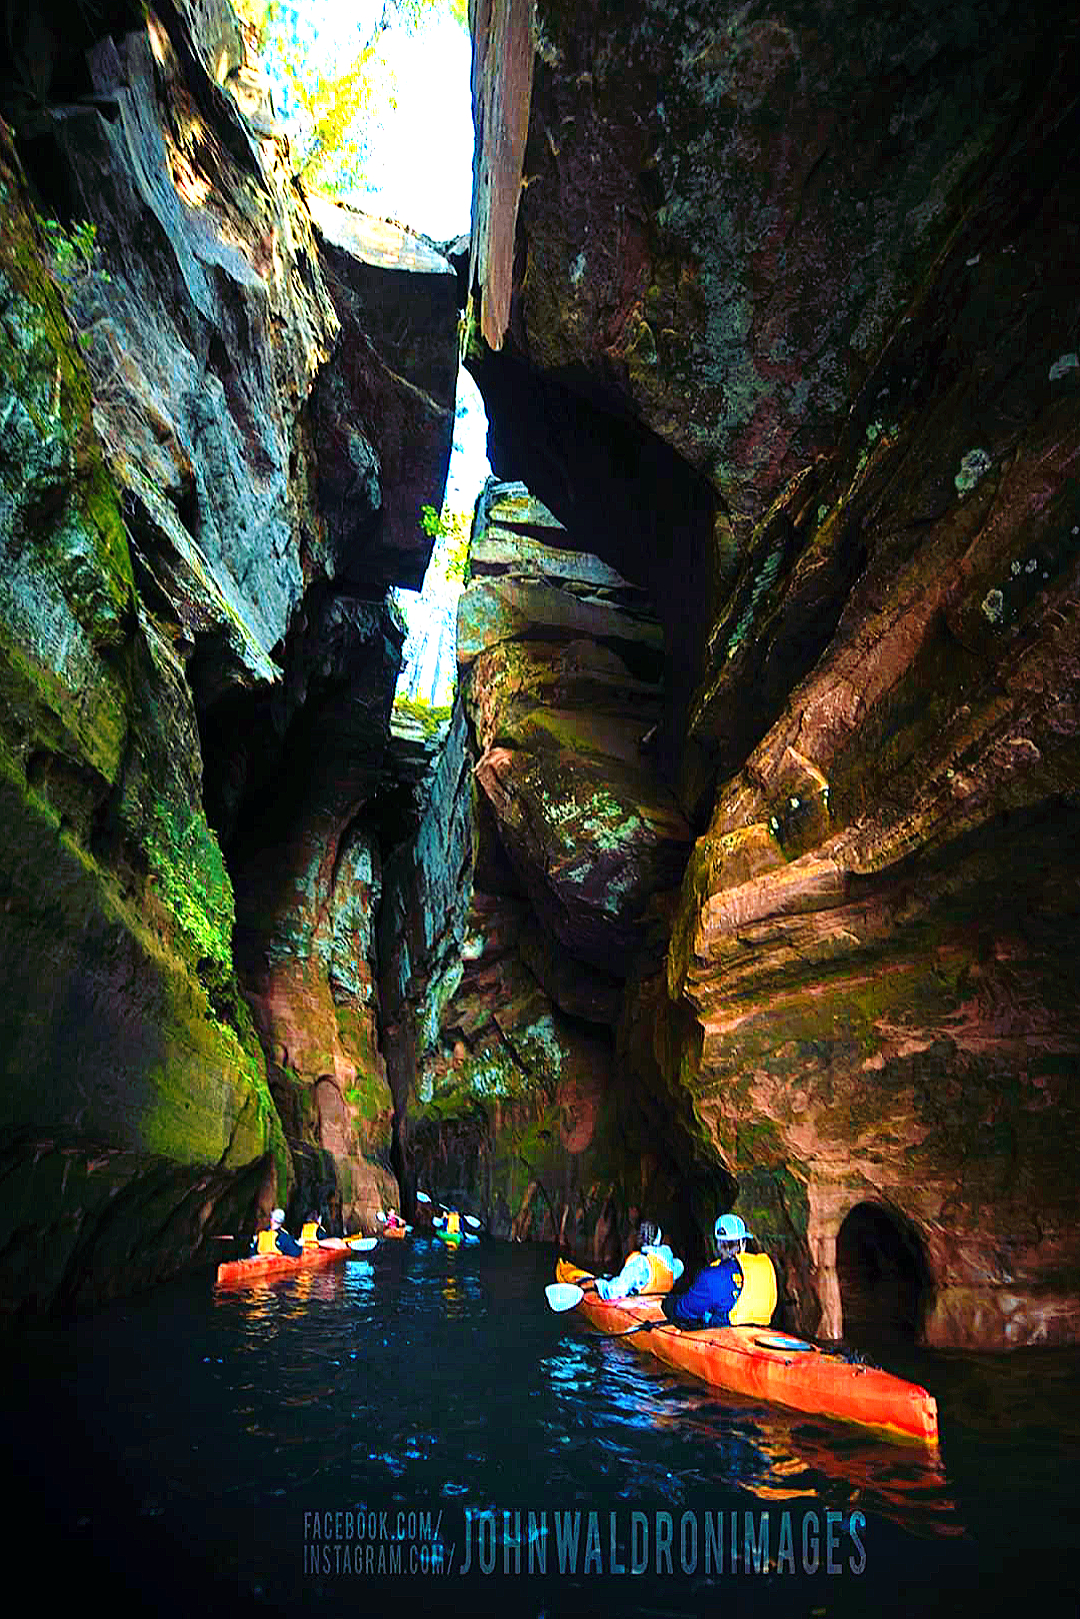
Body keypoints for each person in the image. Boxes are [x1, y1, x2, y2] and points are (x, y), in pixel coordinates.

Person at [660, 1214, 777, 1328]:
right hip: (758, 1330)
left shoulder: (710, 1277)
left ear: (718, 1244)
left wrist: (666, 1303)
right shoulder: (762, 1269)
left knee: (674, 1306)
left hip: (722, 1337)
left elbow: (684, 1311)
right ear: (743, 1243)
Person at [595, 1220, 684, 1300]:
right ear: (659, 1238)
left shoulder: (640, 1263)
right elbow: (680, 1267)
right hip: (659, 1306)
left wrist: (600, 1284)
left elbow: (617, 1291)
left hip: (639, 1310)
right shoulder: (671, 1263)